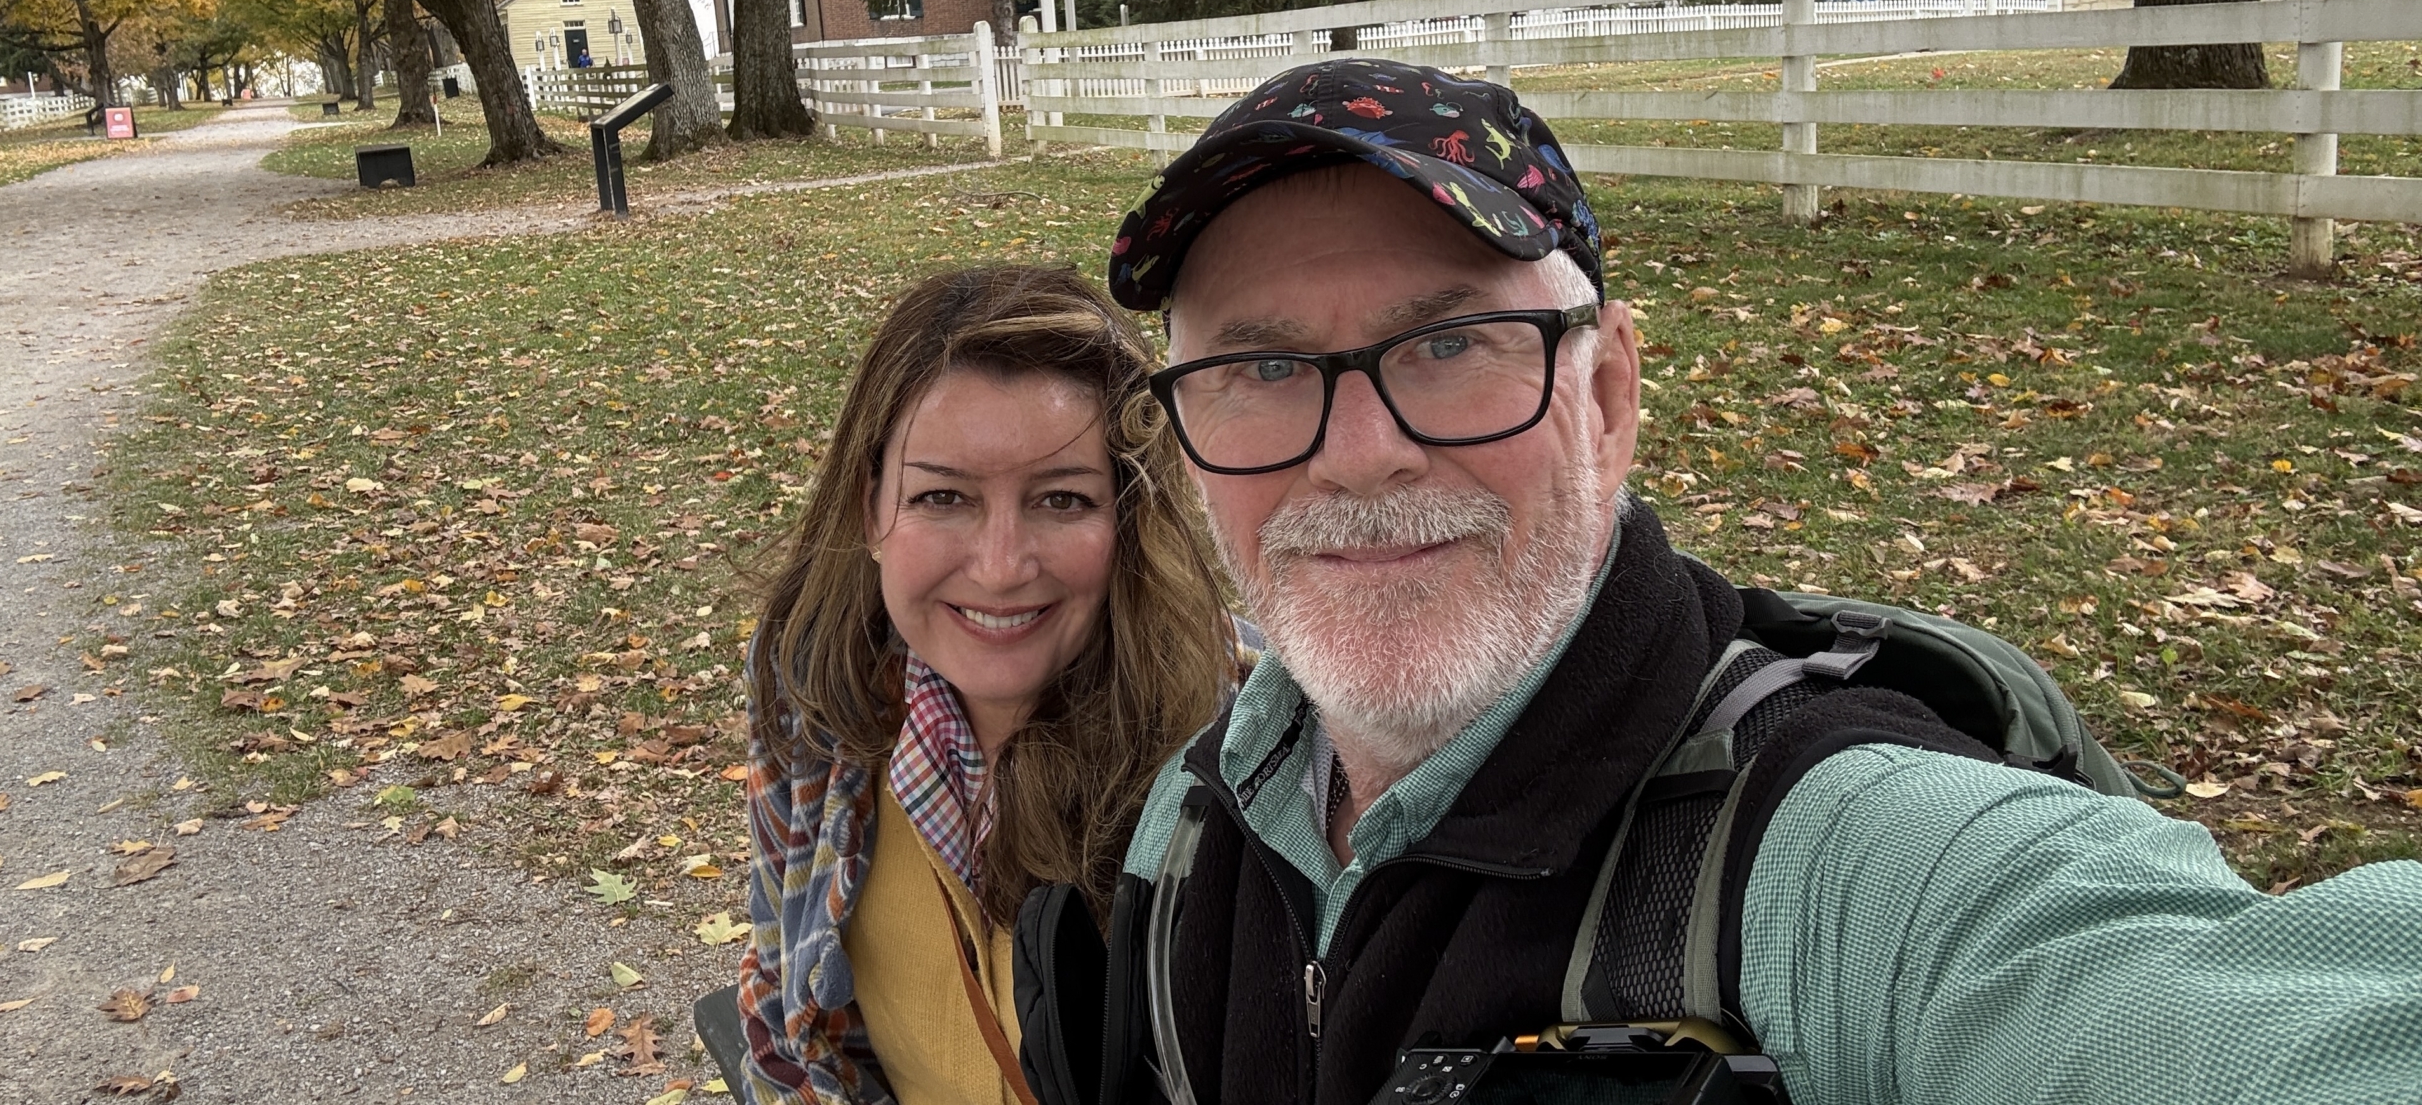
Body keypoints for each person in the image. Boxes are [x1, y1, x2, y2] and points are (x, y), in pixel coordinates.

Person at [1030, 58, 2422, 1105]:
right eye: (1263, 370)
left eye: (1450, 346)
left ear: (1612, 393)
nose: (1358, 454)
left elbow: (2191, 1009)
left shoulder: (1830, 851)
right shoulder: (1203, 813)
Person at [725, 264, 1239, 1105]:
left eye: (1062, 501)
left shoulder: (1234, 758)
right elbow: (784, 994)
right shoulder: (810, 689)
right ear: (871, 510)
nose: (1001, 568)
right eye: (943, 496)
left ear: (1130, 517)